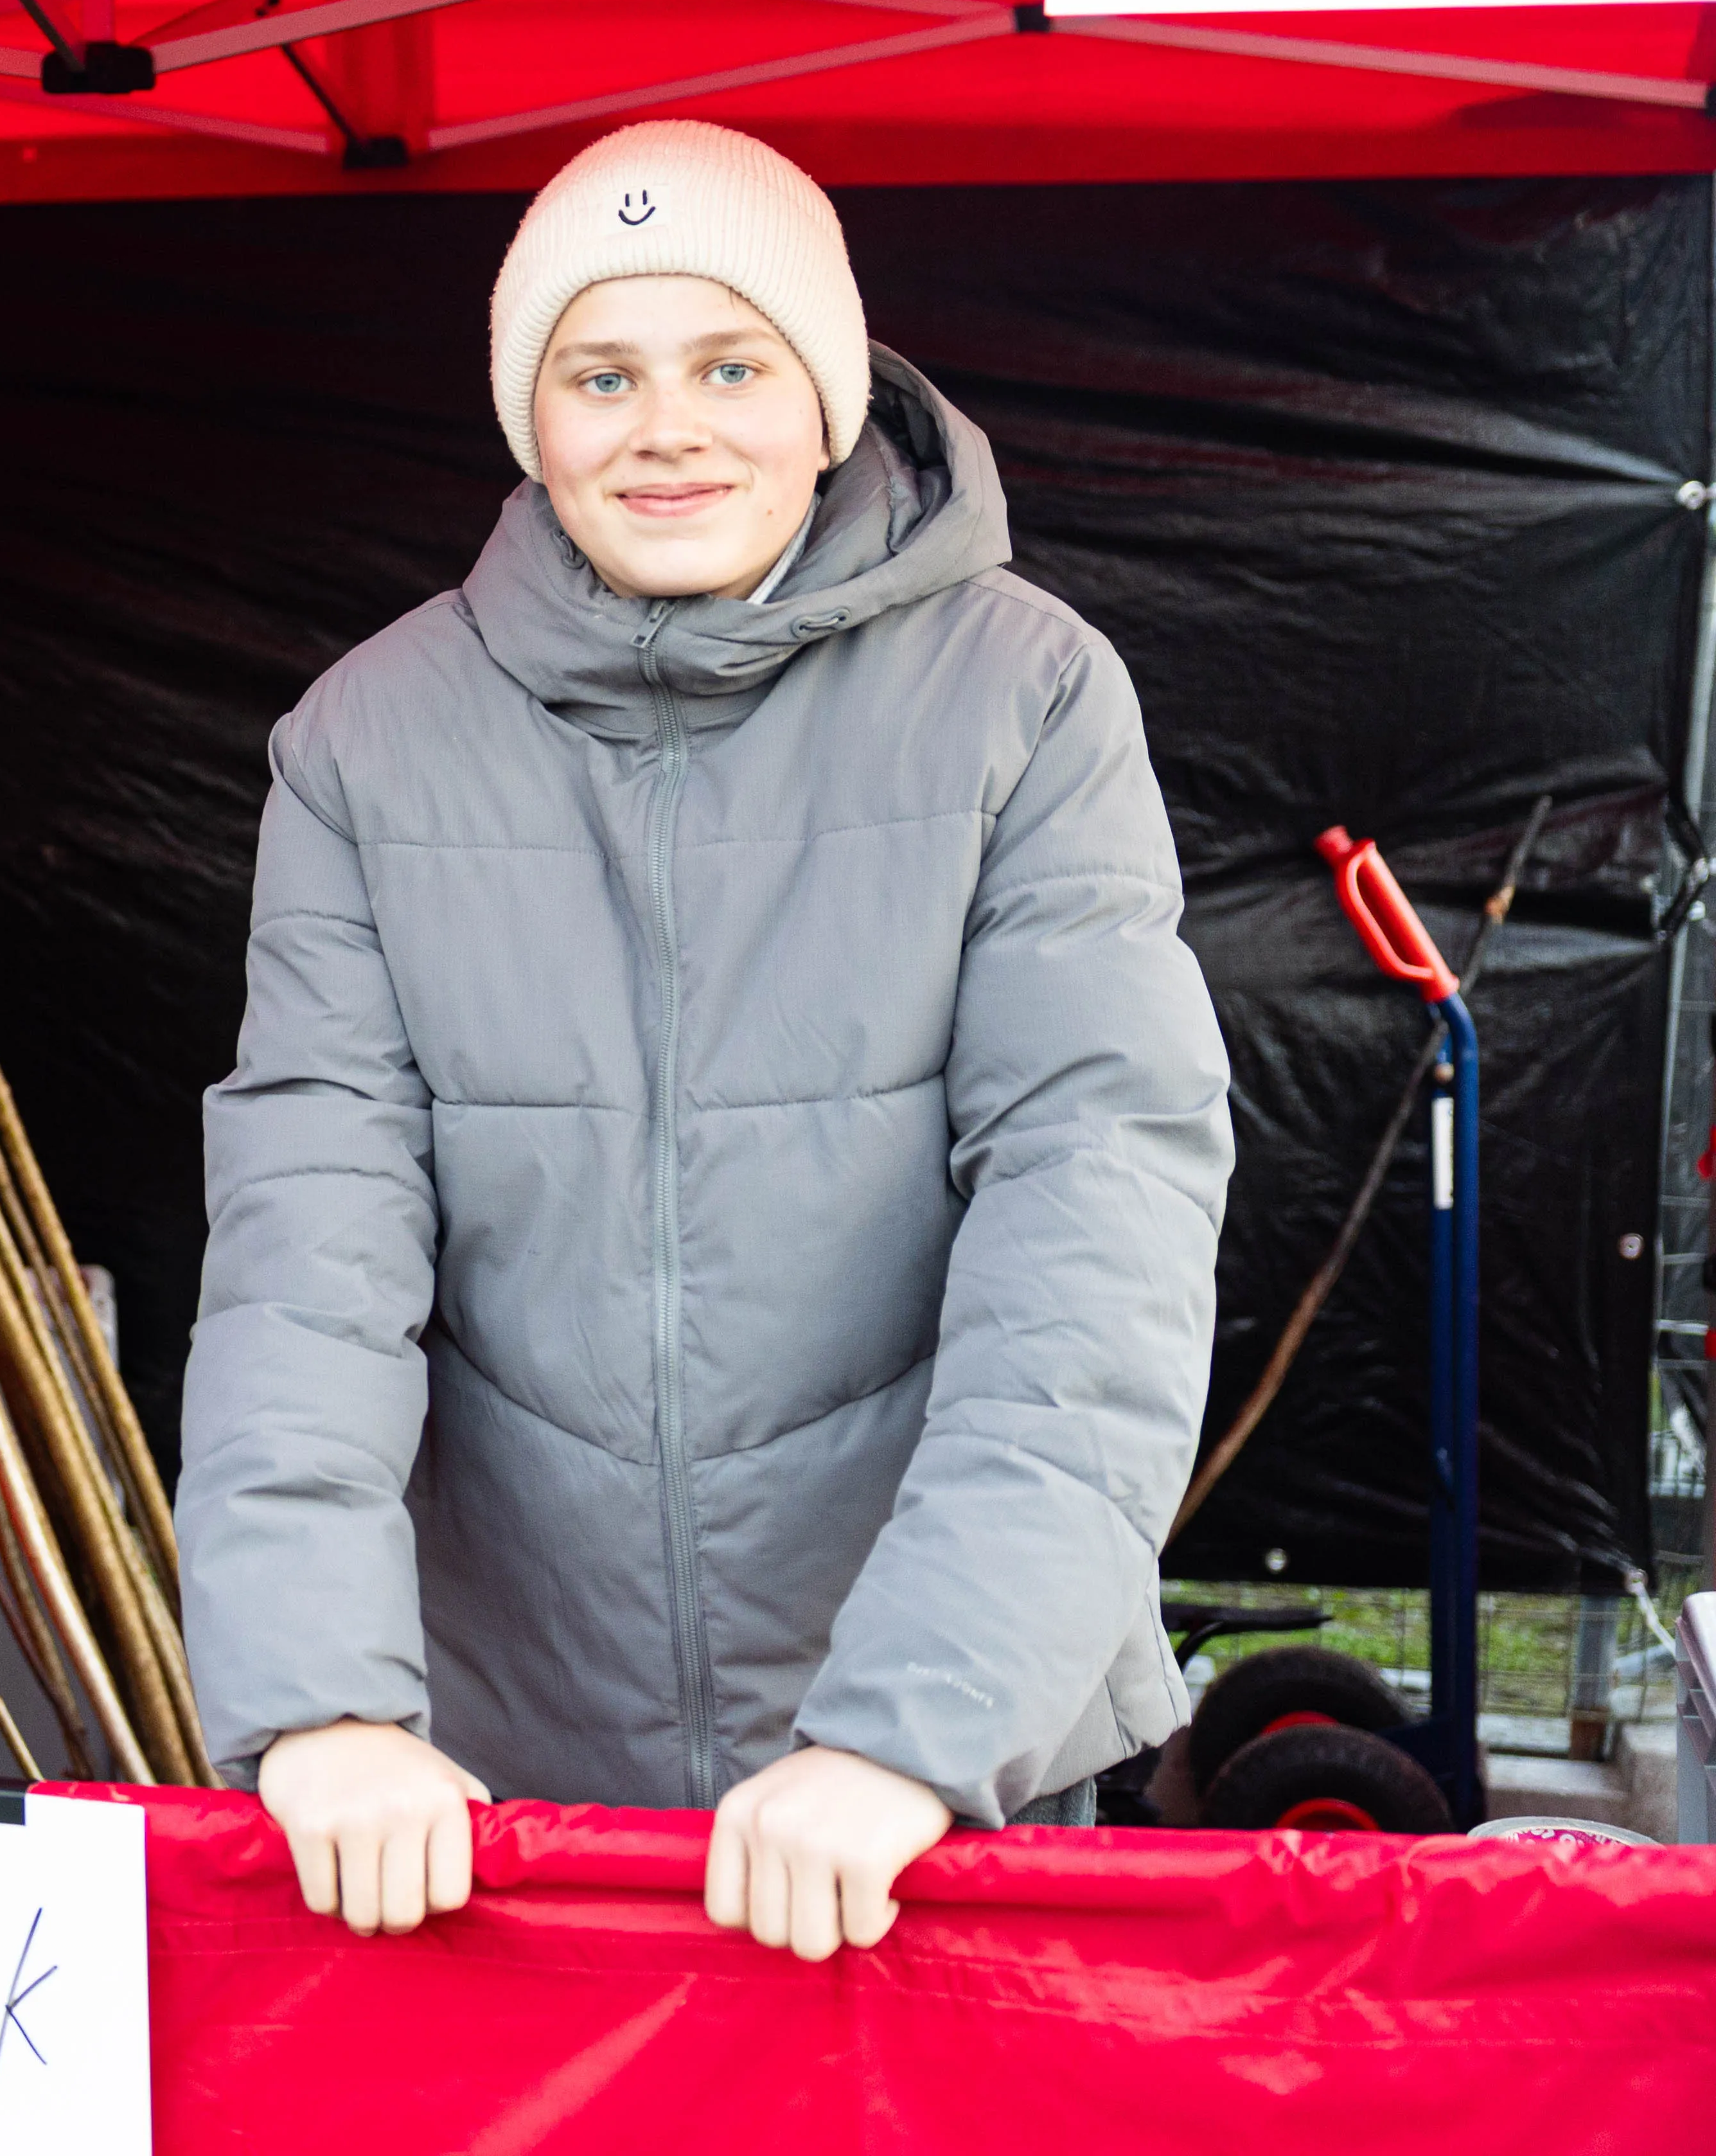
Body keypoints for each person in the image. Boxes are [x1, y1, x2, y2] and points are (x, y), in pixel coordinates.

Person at [179, 120, 1232, 1959]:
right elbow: (308, 1258)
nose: (668, 427)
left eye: (731, 364)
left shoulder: (1027, 693)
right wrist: (324, 1704)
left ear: (826, 398)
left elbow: (1096, 1227)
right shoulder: (363, 742)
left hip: (935, 1791)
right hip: (507, 1794)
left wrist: (912, 1733)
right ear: (534, 419)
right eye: (604, 374)